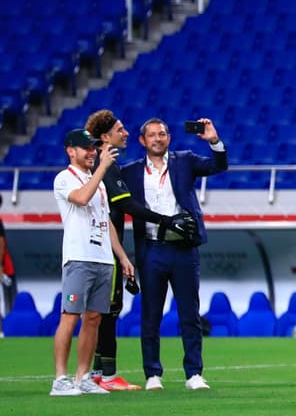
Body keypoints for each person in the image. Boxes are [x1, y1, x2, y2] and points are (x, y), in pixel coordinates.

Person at [84, 109, 191, 392]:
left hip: (106, 246)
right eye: (120, 129)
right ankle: (105, 374)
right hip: (104, 250)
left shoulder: (100, 165)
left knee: (102, 311)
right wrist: (166, 220)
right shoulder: (106, 167)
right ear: (106, 137)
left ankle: (96, 373)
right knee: (106, 311)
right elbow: (127, 206)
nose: (126, 133)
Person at [121, 117, 228, 391]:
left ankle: (194, 373)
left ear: (169, 138)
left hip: (183, 249)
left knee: (189, 313)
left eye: (162, 134)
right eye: (152, 135)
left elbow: (219, 165)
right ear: (142, 141)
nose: (158, 138)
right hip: (152, 249)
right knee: (150, 315)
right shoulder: (130, 172)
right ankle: (152, 374)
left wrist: (214, 141)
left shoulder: (184, 161)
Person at [51, 129, 135, 396]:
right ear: (70, 151)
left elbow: (106, 220)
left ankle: (82, 377)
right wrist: (102, 169)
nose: (92, 152)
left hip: (102, 258)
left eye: (94, 148)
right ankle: (60, 379)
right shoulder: (64, 179)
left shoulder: (96, 181)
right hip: (79, 257)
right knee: (70, 316)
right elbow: (81, 198)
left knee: (94, 318)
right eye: (86, 148)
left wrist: (121, 256)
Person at [0, 215, 14, 336]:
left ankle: (4, 330)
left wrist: (0, 266)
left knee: (7, 302)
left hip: (4, 268)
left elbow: (1, 242)